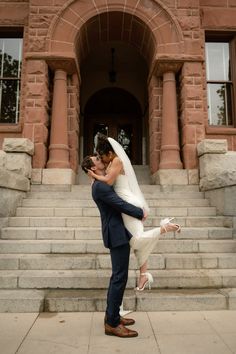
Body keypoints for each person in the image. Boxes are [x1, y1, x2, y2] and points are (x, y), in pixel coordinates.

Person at [87, 134, 181, 291]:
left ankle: (165, 227)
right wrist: (96, 178)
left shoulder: (116, 161)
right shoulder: (111, 162)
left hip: (127, 203)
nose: (101, 159)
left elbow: (109, 181)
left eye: (102, 156)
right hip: (124, 202)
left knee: (136, 241)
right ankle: (143, 275)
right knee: (136, 242)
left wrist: (94, 175)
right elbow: (108, 181)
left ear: (109, 153)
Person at [82, 154, 145, 338]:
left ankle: (113, 315)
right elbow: (119, 204)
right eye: (97, 160)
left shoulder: (100, 183)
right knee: (119, 277)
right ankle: (112, 324)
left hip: (117, 231)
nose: (101, 160)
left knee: (118, 277)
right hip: (116, 234)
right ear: (93, 169)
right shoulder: (100, 187)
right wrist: (140, 212)